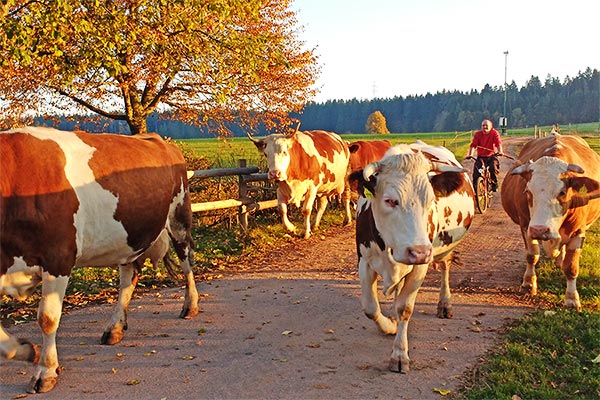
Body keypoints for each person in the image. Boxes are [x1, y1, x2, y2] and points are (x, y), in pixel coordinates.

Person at [466, 119, 504, 192]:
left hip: (492, 156)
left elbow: (498, 143)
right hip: (481, 157)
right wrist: (470, 154)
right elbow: (473, 145)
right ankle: (475, 191)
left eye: (486, 125)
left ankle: (494, 183)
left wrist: (500, 151)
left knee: (493, 168)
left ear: (491, 126)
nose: (485, 127)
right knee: (476, 173)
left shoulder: (494, 133)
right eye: (483, 125)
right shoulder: (478, 134)